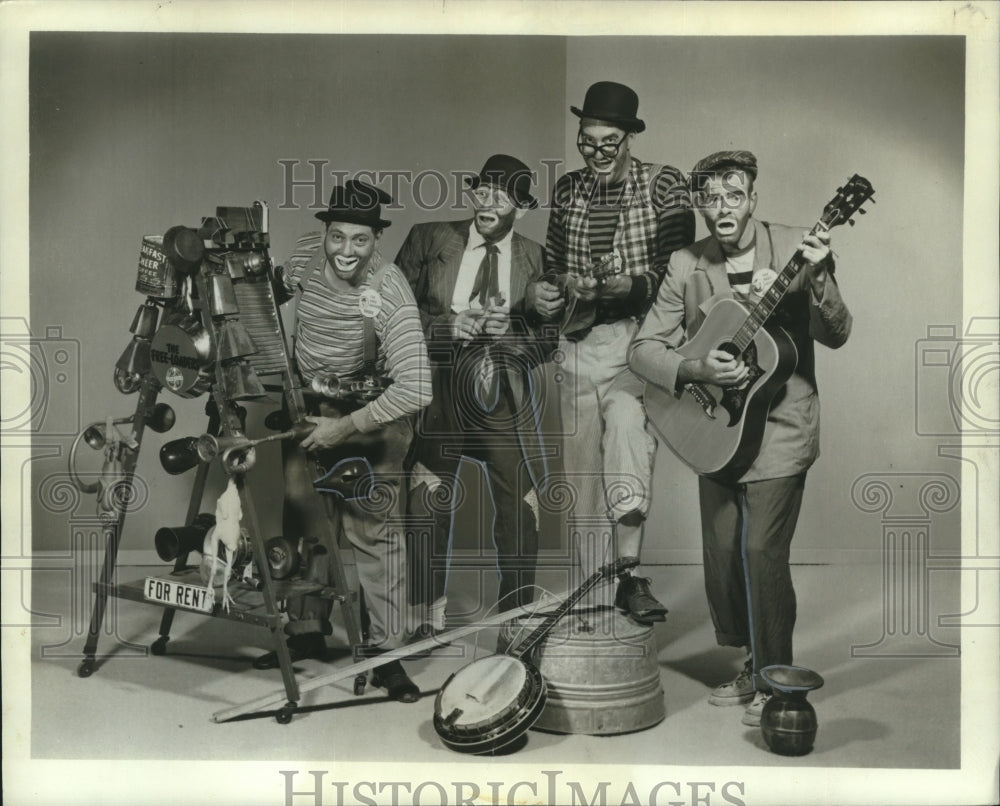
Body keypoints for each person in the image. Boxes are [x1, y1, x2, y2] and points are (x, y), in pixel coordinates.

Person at [628, 150, 853, 726]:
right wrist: (696, 369)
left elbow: (836, 333)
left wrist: (820, 276)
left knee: (761, 552)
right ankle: (752, 661)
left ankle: (776, 679)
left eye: (734, 196)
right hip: (717, 424)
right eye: (711, 199)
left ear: (753, 199)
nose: (723, 208)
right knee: (724, 551)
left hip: (781, 424)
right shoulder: (686, 263)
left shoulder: (798, 248)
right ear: (701, 206)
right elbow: (643, 349)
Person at [253, 179, 432, 704]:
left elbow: (417, 387)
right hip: (309, 410)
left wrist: (347, 426)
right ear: (324, 232)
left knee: (375, 534)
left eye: (360, 239)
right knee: (306, 521)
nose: (346, 251)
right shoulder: (307, 255)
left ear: (377, 239)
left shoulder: (391, 289)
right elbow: (266, 296)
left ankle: (387, 656)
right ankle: (307, 631)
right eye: (338, 236)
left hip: (373, 418)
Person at [525, 81, 694, 620]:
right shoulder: (568, 189)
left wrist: (632, 287)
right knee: (581, 475)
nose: (596, 153)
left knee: (626, 431)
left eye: (608, 142)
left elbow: (682, 273)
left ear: (629, 138)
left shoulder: (664, 185)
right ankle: (594, 598)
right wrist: (550, 291)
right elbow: (553, 265)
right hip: (579, 344)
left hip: (640, 341)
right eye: (587, 141)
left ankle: (629, 575)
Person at [396, 155, 556, 641]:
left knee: (520, 502)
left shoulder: (536, 258)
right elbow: (390, 313)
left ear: (521, 209)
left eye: (501, 197)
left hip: (501, 387)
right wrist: (446, 327)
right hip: (438, 382)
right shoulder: (429, 238)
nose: (487, 203)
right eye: (482, 191)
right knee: (426, 494)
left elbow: (550, 339)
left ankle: (515, 617)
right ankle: (426, 614)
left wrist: (511, 336)